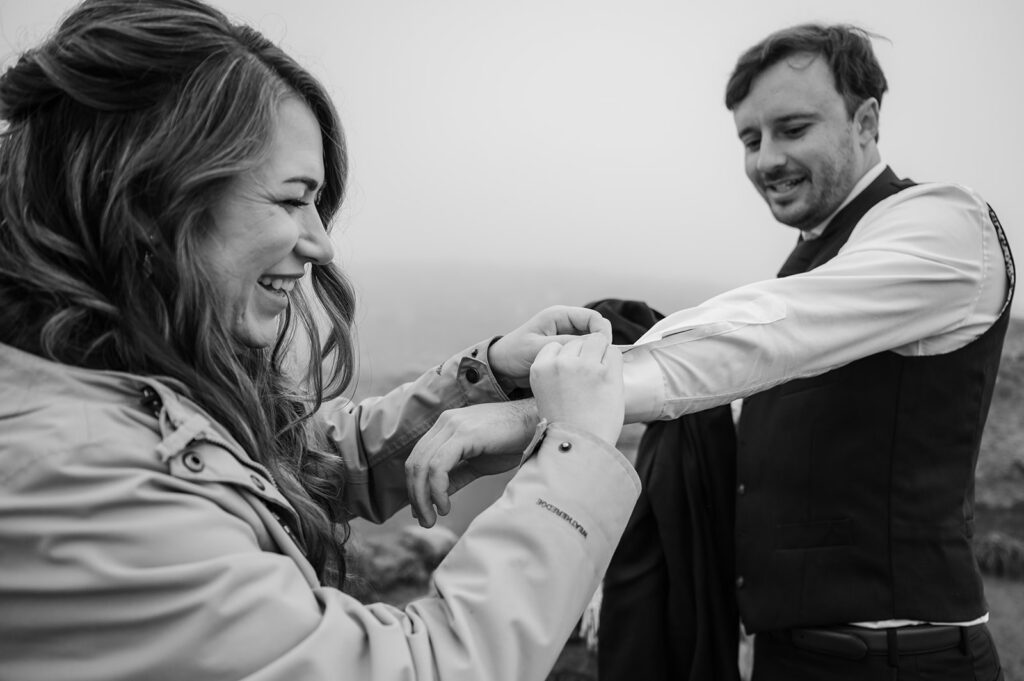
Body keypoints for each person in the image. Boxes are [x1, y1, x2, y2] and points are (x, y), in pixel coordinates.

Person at [0, 2, 640, 680]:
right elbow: (422, 668)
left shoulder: (90, 379)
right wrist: (578, 454)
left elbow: (275, 460)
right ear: (149, 197)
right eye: (289, 199)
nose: (321, 242)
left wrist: (485, 377)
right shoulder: (74, 472)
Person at [611, 23, 1012, 681]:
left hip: (901, 661)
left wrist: (551, 396)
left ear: (867, 121)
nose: (766, 159)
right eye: (750, 139)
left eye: (793, 129)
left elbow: (767, 330)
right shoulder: (816, 254)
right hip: (790, 656)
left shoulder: (947, 227)